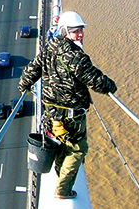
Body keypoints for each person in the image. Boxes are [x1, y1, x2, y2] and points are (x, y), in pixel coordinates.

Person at [18, 11, 117, 199]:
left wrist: (23, 85)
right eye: (75, 31)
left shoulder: (48, 49)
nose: (80, 34)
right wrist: (112, 86)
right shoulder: (75, 56)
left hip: (51, 116)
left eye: (80, 30)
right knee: (77, 149)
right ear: (65, 32)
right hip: (70, 118)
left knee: (61, 147)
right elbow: (96, 81)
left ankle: (59, 176)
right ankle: (63, 190)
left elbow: (32, 69)